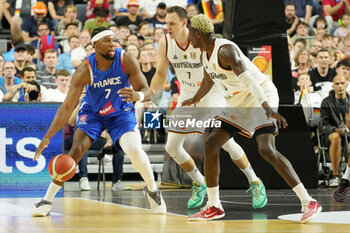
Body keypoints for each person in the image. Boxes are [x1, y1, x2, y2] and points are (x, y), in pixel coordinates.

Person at [183, 14, 322, 222]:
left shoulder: (225, 50)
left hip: (260, 96)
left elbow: (250, 81)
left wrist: (268, 108)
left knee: (266, 149)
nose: (188, 37)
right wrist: (195, 98)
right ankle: (214, 205)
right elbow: (209, 78)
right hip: (238, 103)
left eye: (190, 32)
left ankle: (308, 201)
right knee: (211, 143)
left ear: (199, 33)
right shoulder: (205, 53)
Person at [31, 27, 166, 217]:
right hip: (93, 113)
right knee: (75, 151)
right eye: (107, 41)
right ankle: (46, 200)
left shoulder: (125, 59)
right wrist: (47, 137)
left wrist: (139, 95)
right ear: (95, 45)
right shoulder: (84, 69)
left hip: (120, 112)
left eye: (114, 40)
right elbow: (67, 107)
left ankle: (153, 191)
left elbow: (146, 88)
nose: (113, 44)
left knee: (134, 150)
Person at [150, 6, 267, 210]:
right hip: (188, 95)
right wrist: (149, 94)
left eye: (171, 23)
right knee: (171, 147)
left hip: (212, 93)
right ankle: (198, 181)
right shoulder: (165, 42)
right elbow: (160, 74)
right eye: (165, 23)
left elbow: (212, 74)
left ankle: (255, 181)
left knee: (224, 141)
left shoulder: (199, 40)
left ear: (184, 23)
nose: (166, 27)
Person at [319, 74, 349, 187]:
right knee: (336, 136)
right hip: (330, 136)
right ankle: (335, 176)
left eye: (342, 83)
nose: (340, 86)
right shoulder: (326, 102)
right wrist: (337, 129)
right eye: (337, 84)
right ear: (333, 86)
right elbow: (323, 126)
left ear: (347, 85)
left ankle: (347, 176)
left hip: (348, 135)